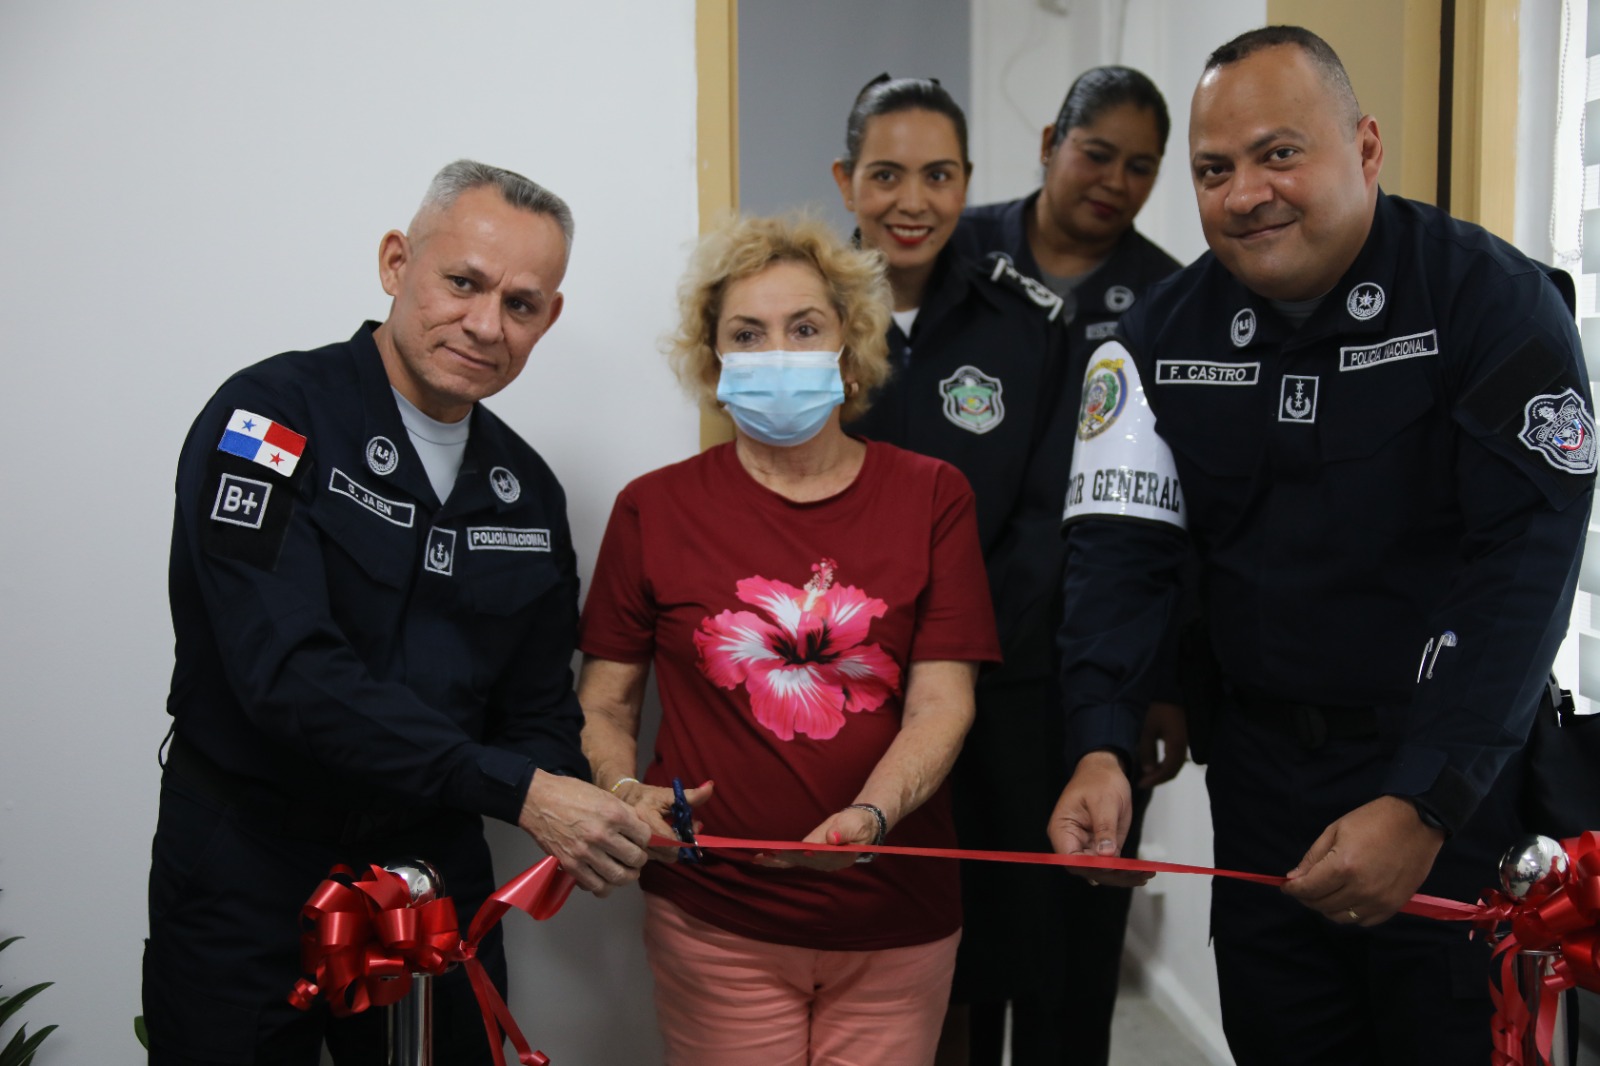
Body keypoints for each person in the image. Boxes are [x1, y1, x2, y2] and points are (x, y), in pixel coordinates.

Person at [1048, 26, 1595, 1065]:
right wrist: (1100, 743)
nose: (1246, 193)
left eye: (1279, 154)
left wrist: (1425, 803)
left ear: (1366, 148)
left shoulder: (1488, 301)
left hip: (1455, 780)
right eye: (1215, 169)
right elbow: (1119, 553)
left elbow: (1523, 569)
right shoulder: (1156, 337)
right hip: (1262, 786)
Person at [143, 160, 654, 1065]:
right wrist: (524, 792)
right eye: (463, 283)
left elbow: (536, 711)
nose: (487, 325)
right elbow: (288, 674)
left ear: (548, 319)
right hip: (250, 855)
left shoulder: (528, 491)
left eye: (521, 304)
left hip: (430, 862)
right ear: (394, 263)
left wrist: (602, 802)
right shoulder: (269, 420)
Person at [577, 214, 1001, 1066]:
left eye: (804, 328)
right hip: (714, 920)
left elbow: (943, 703)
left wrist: (872, 816)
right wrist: (622, 790)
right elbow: (605, 701)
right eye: (747, 334)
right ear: (714, 361)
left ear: (850, 348)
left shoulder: (933, 496)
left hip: (897, 916)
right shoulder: (652, 508)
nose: (777, 353)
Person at [945, 66, 1186, 1066]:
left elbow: (1188, 515)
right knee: (957, 947)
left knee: (1071, 949)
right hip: (952, 665)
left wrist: (1166, 685)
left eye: (1141, 167)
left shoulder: (1173, 297)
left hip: (1094, 680)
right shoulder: (958, 256)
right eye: (1097, 154)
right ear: (1051, 142)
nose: (1115, 183)